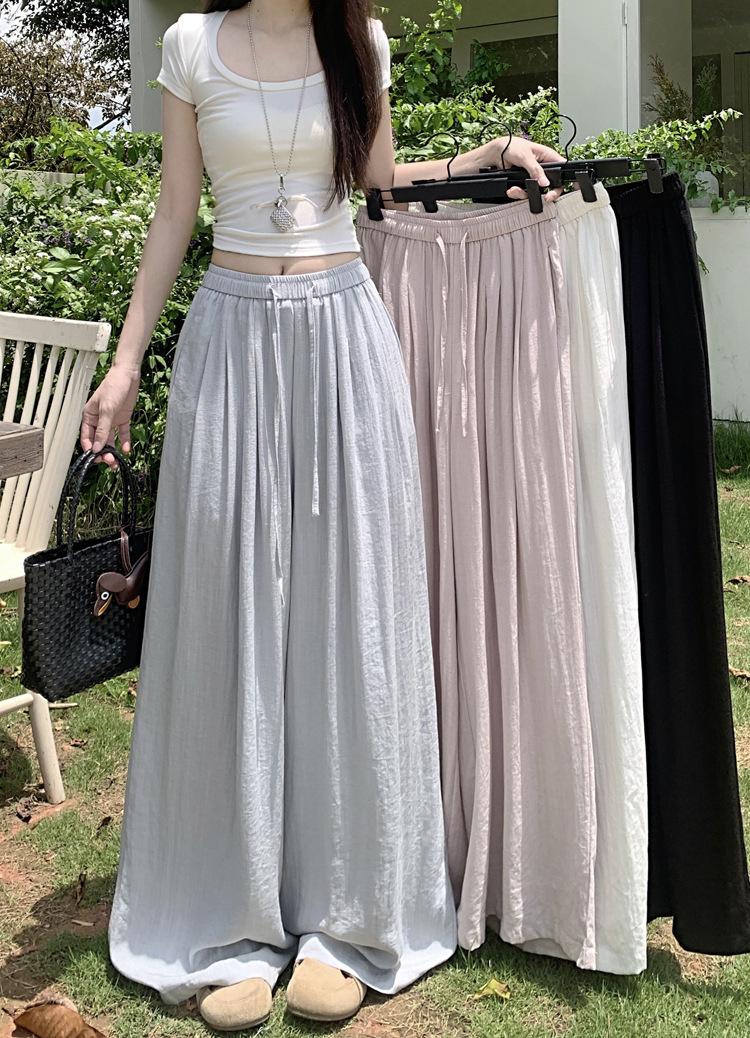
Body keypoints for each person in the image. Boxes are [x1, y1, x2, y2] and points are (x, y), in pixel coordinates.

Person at [80, 0, 565, 1030]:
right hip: (230, 343)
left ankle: (351, 915)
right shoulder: (189, 47)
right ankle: (224, 918)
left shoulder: (359, 41)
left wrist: (485, 154)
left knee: (353, 620)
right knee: (227, 623)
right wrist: (124, 365)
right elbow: (175, 210)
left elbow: (378, 180)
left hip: (345, 338)